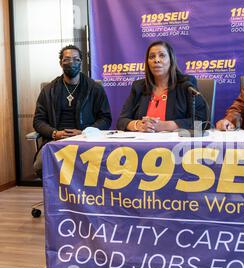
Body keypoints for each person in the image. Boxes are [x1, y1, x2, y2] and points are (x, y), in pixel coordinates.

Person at [33, 45, 112, 177]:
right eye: (67, 59)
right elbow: (38, 120)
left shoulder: (94, 88)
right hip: (55, 141)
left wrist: (84, 132)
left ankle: (84, 197)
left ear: (81, 62)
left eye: (76, 59)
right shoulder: (48, 90)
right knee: (40, 165)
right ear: (60, 63)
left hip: (86, 140)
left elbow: (105, 118)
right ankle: (56, 197)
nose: (72, 63)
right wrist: (54, 133)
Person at [116, 41, 207, 132]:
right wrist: (138, 125)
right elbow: (121, 121)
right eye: (152, 57)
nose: (156, 60)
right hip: (143, 142)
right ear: (148, 63)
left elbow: (201, 121)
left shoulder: (185, 84)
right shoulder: (138, 87)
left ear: (171, 60)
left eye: (162, 55)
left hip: (174, 143)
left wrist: (166, 125)